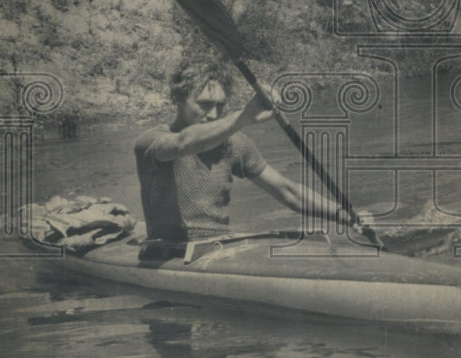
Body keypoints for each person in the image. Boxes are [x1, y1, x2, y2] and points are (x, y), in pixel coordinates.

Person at [134, 58, 354, 248]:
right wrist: (245, 116)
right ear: (178, 98)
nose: (213, 114)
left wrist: (343, 214)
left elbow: (287, 191)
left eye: (220, 105)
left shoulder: (234, 144)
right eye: (204, 104)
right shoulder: (152, 142)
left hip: (219, 246)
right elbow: (184, 143)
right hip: (168, 251)